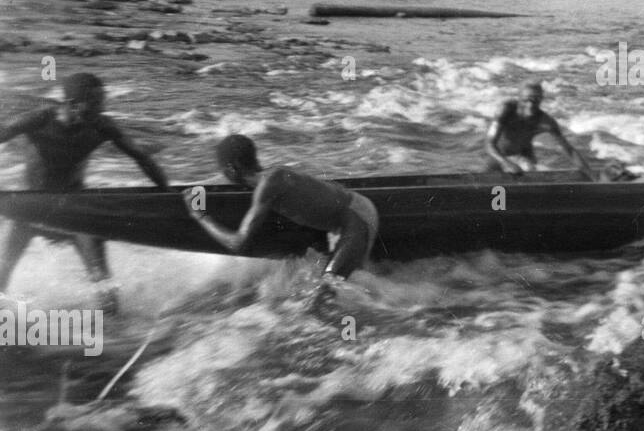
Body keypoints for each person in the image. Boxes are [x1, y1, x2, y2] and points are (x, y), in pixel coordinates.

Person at [0, 73, 169, 301]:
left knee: (102, 279)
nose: (102, 109)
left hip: (75, 208)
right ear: (72, 105)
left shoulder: (102, 126)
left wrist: (167, 194)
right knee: (4, 272)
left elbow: (140, 156)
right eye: (96, 104)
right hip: (32, 207)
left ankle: (114, 332)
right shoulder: (39, 119)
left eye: (103, 102)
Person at [184, 134, 378, 285]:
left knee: (327, 289)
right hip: (350, 217)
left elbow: (238, 243)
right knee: (330, 284)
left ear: (232, 169)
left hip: (356, 217)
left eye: (223, 172)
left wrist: (200, 216)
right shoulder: (272, 178)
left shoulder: (270, 184)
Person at [485, 82, 592, 178]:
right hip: (497, 155)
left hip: (522, 156)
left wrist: (591, 175)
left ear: (541, 100)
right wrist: (506, 163)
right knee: (489, 178)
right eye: (526, 100)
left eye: (535, 100)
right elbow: (489, 144)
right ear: (519, 99)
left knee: (527, 169)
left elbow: (570, 151)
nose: (530, 105)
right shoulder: (505, 110)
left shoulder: (546, 122)